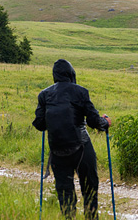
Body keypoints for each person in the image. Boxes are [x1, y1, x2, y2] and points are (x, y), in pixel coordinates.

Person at [32, 59, 111, 220]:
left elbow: (39, 124)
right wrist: (105, 122)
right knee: (89, 190)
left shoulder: (44, 95)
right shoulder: (81, 92)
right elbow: (93, 121)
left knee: (65, 193)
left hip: (57, 151)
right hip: (81, 148)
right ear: (71, 74)